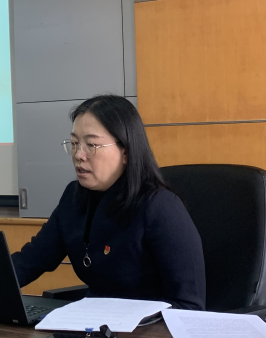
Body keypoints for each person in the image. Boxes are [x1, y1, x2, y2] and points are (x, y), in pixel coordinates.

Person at [11, 95, 206, 310]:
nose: (79, 155)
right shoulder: (73, 198)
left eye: (91, 145)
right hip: (95, 322)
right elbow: (30, 261)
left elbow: (189, 305)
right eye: (74, 143)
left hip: (148, 325)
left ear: (126, 151)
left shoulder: (160, 207)